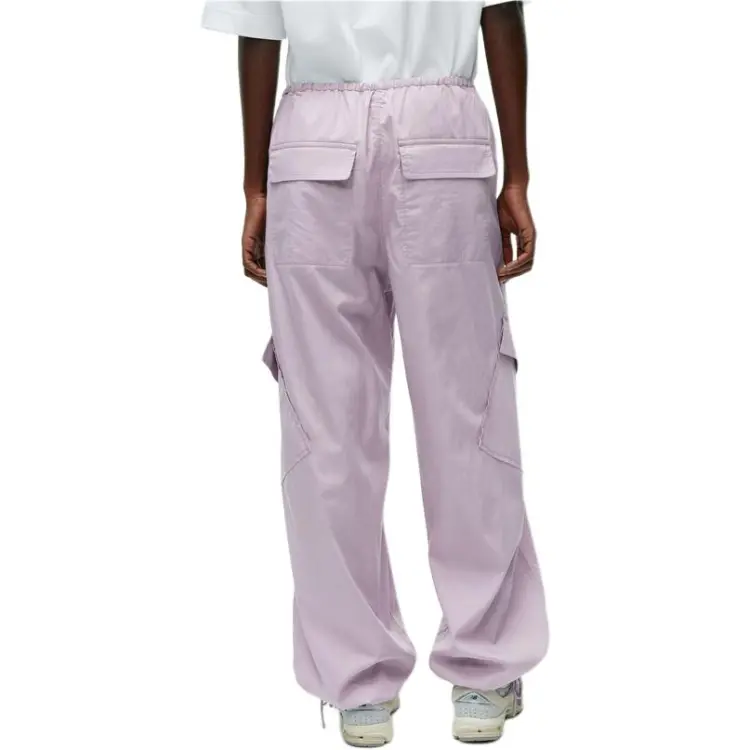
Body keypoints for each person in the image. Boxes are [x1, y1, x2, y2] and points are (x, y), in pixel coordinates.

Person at [202, 1, 548, 745]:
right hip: (441, 136)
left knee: (326, 427)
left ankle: (357, 679)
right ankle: (485, 669)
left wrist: (255, 187)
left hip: (311, 145)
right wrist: (518, 173)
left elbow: (260, 29)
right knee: (467, 412)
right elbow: (500, 10)